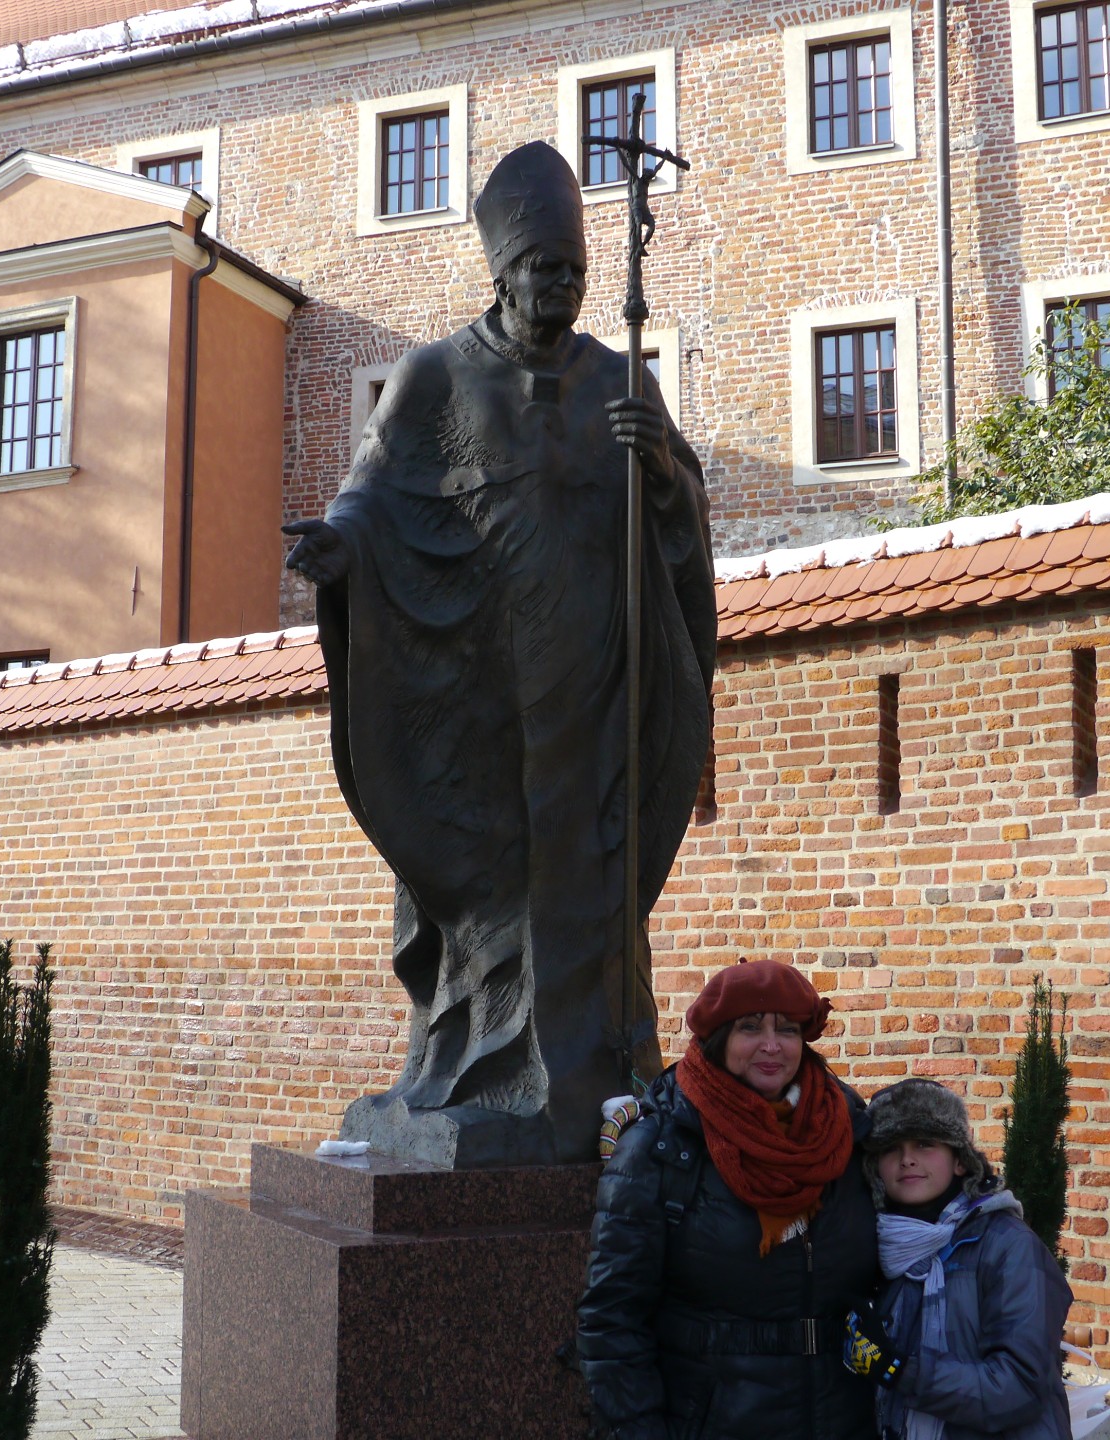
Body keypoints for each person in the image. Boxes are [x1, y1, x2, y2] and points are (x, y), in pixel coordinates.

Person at [281, 140, 715, 1168]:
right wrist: (341, 551)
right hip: (472, 683)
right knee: (486, 875)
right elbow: (372, 497)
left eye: (575, 271)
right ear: (503, 273)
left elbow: (683, 519)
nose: (562, 286)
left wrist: (659, 466)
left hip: (596, 682)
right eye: (543, 269)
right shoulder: (434, 376)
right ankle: (470, 1072)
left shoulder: (618, 378)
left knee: (589, 876)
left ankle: (593, 1076)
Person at [575, 959, 881, 1440]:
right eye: (750, 1028)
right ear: (718, 1039)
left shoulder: (847, 1135)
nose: (772, 1045)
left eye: (787, 1029)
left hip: (842, 1420)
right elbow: (612, 1318)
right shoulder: (661, 1147)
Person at [840, 1079, 1074, 1440]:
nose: (907, 1159)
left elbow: (1019, 1386)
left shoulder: (1008, 1246)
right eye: (891, 1148)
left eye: (925, 1144)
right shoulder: (880, 1250)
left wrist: (899, 1371)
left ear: (960, 1161)